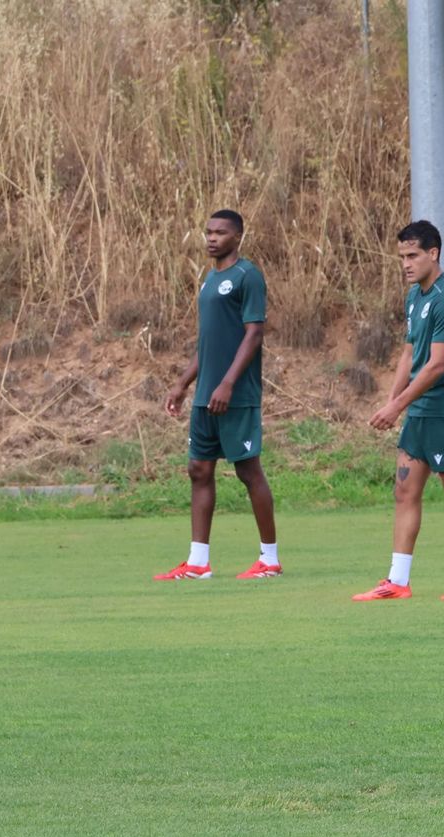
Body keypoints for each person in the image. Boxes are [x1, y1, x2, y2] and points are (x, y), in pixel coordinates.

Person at [352, 220, 444, 601]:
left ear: (434, 253)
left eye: (413, 255)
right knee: (404, 489)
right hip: (420, 410)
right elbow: (410, 353)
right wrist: (391, 401)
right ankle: (397, 581)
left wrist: (397, 405)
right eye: (401, 257)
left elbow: (436, 365)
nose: (406, 264)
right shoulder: (416, 296)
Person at [156, 209, 279, 582]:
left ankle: (270, 559)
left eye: (220, 233)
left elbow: (254, 334)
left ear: (237, 237)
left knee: (247, 470)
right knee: (199, 470)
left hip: (235, 394)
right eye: (208, 232)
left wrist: (227, 383)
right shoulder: (210, 279)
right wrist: (183, 383)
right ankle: (198, 563)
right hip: (205, 395)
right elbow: (208, 342)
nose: (211, 238)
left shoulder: (248, 276)